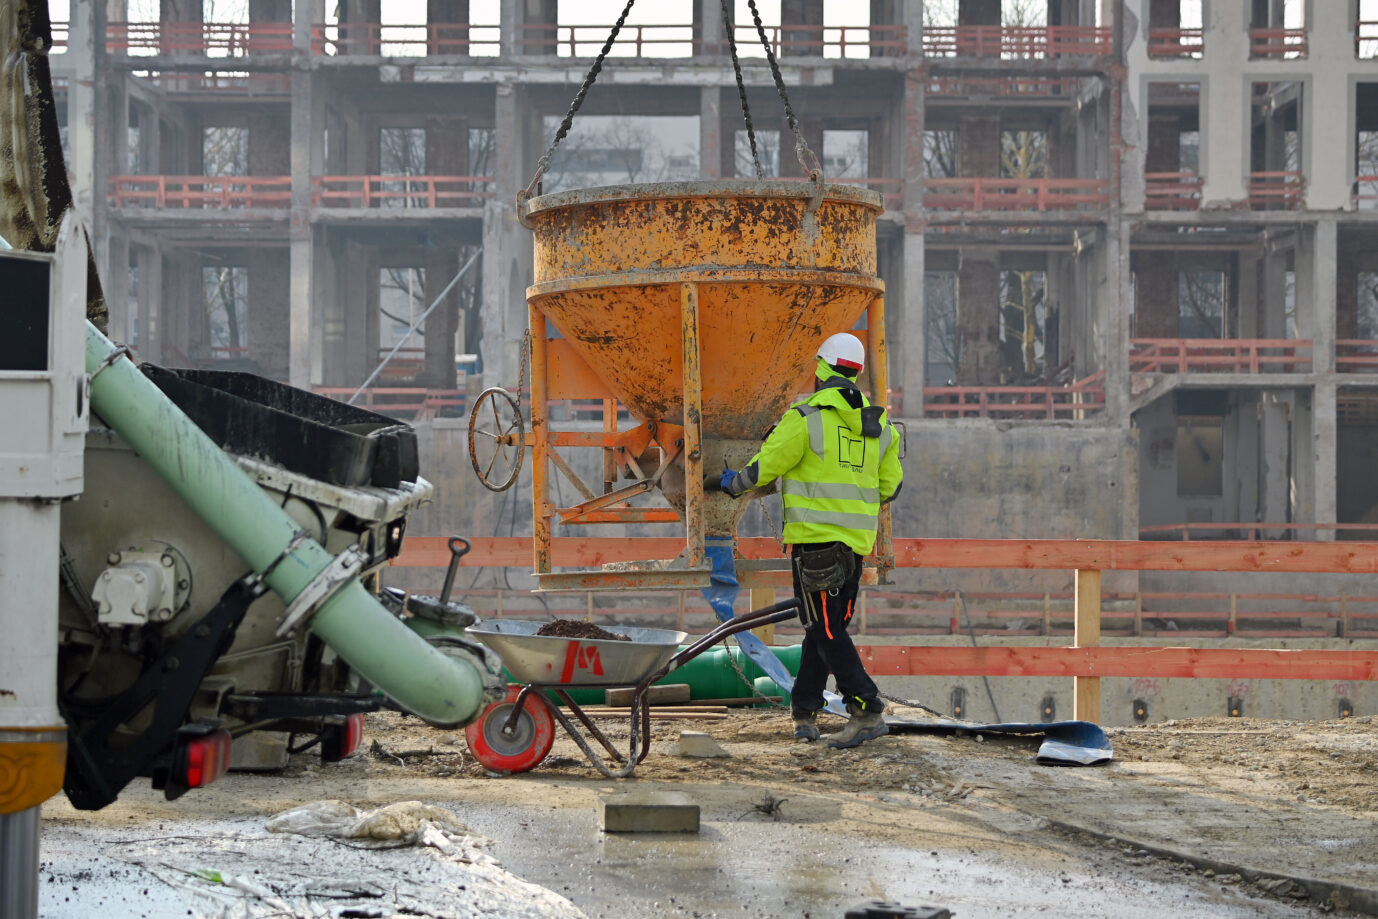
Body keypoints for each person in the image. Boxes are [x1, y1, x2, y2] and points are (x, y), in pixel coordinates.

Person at [718, 332, 903, 749]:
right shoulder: (881, 427)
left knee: (826, 630)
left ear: (821, 369)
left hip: (816, 547)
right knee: (821, 629)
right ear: (854, 373)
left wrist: (730, 483)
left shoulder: (805, 418)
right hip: (855, 548)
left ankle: (866, 708)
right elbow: (890, 487)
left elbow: (765, 467)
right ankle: (804, 711)